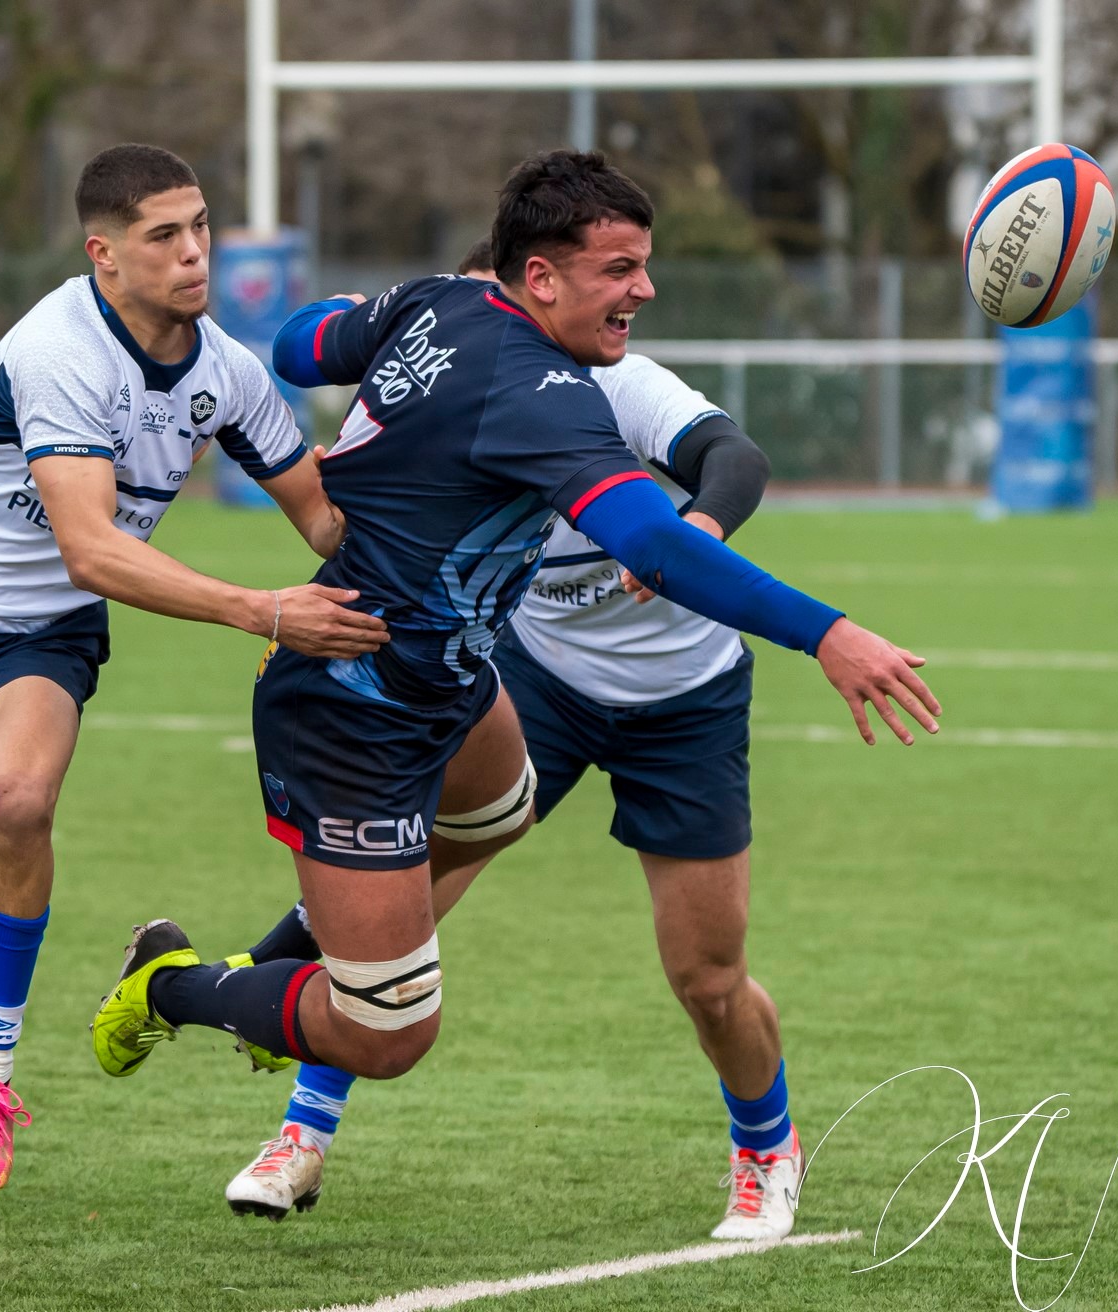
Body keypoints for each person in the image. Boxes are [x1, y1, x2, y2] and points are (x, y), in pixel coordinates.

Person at [90, 153, 939, 1210]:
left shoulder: (443, 304)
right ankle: (186, 989)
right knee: (390, 1032)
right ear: (537, 277)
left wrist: (382, 318)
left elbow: (303, 346)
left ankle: (306, 978)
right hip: (354, 706)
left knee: (499, 811)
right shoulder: (541, 395)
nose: (645, 290)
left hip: (474, 683)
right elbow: (654, 546)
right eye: (619, 270)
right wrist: (829, 634)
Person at [0, 142, 384, 1247]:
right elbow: (91, 548)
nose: (195, 254)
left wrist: (444, 513)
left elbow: (326, 520)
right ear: (105, 254)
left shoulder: (228, 370)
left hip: (39, 637)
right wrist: (265, 611)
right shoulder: (58, 348)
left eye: (200, 228)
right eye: (163, 236)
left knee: (18, 801)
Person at [213, 237, 807, 1241]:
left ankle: (765, 1149)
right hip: (540, 679)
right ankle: (301, 1132)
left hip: (685, 699)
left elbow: (734, 458)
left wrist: (693, 534)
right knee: (407, 885)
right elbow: (309, 366)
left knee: (707, 976)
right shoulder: (456, 379)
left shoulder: (612, 384)